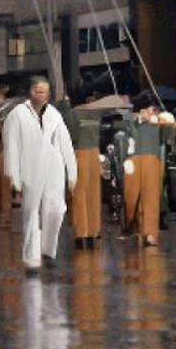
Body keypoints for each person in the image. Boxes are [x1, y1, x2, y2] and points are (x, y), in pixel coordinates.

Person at [2, 77, 77, 272]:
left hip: (54, 168)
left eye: (45, 91)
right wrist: (13, 175)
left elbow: (66, 145)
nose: (41, 94)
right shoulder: (17, 115)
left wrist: (72, 173)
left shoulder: (55, 115)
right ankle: (32, 258)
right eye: (37, 90)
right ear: (30, 92)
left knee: (56, 209)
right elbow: (12, 147)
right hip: (30, 167)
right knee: (31, 213)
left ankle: (48, 250)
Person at [117, 93, 176, 246]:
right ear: (141, 109)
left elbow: (169, 138)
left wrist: (170, 124)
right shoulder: (131, 120)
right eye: (150, 109)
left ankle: (150, 232)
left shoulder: (159, 122)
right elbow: (124, 130)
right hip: (134, 160)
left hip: (152, 161)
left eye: (154, 109)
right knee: (131, 198)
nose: (153, 112)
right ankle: (132, 227)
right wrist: (139, 120)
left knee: (151, 198)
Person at [64, 98, 104, 246]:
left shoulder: (72, 114)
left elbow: (70, 135)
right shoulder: (97, 114)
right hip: (93, 152)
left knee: (79, 193)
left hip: (80, 152)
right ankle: (93, 232)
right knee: (93, 193)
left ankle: (82, 233)